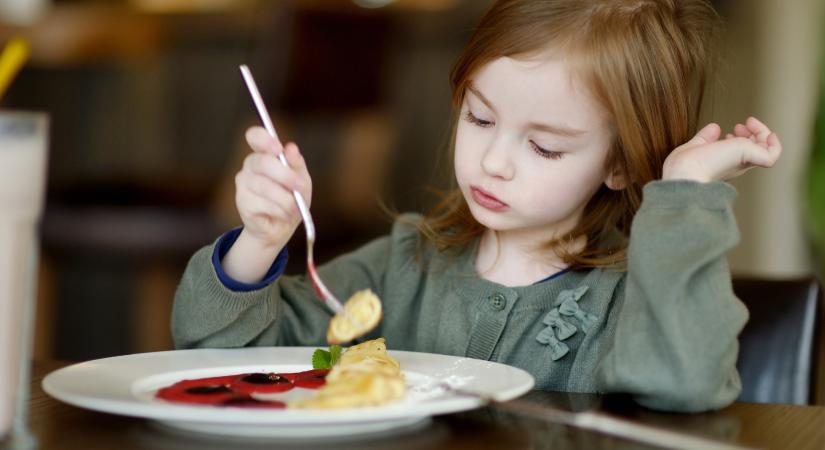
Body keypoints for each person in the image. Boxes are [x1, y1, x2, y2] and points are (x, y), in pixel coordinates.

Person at [171, 0, 782, 412]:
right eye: (480, 117)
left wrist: (684, 191)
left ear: (619, 164)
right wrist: (260, 241)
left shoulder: (625, 301)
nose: (494, 161)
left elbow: (684, 383)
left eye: (543, 147)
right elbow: (225, 360)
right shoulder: (401, 266)